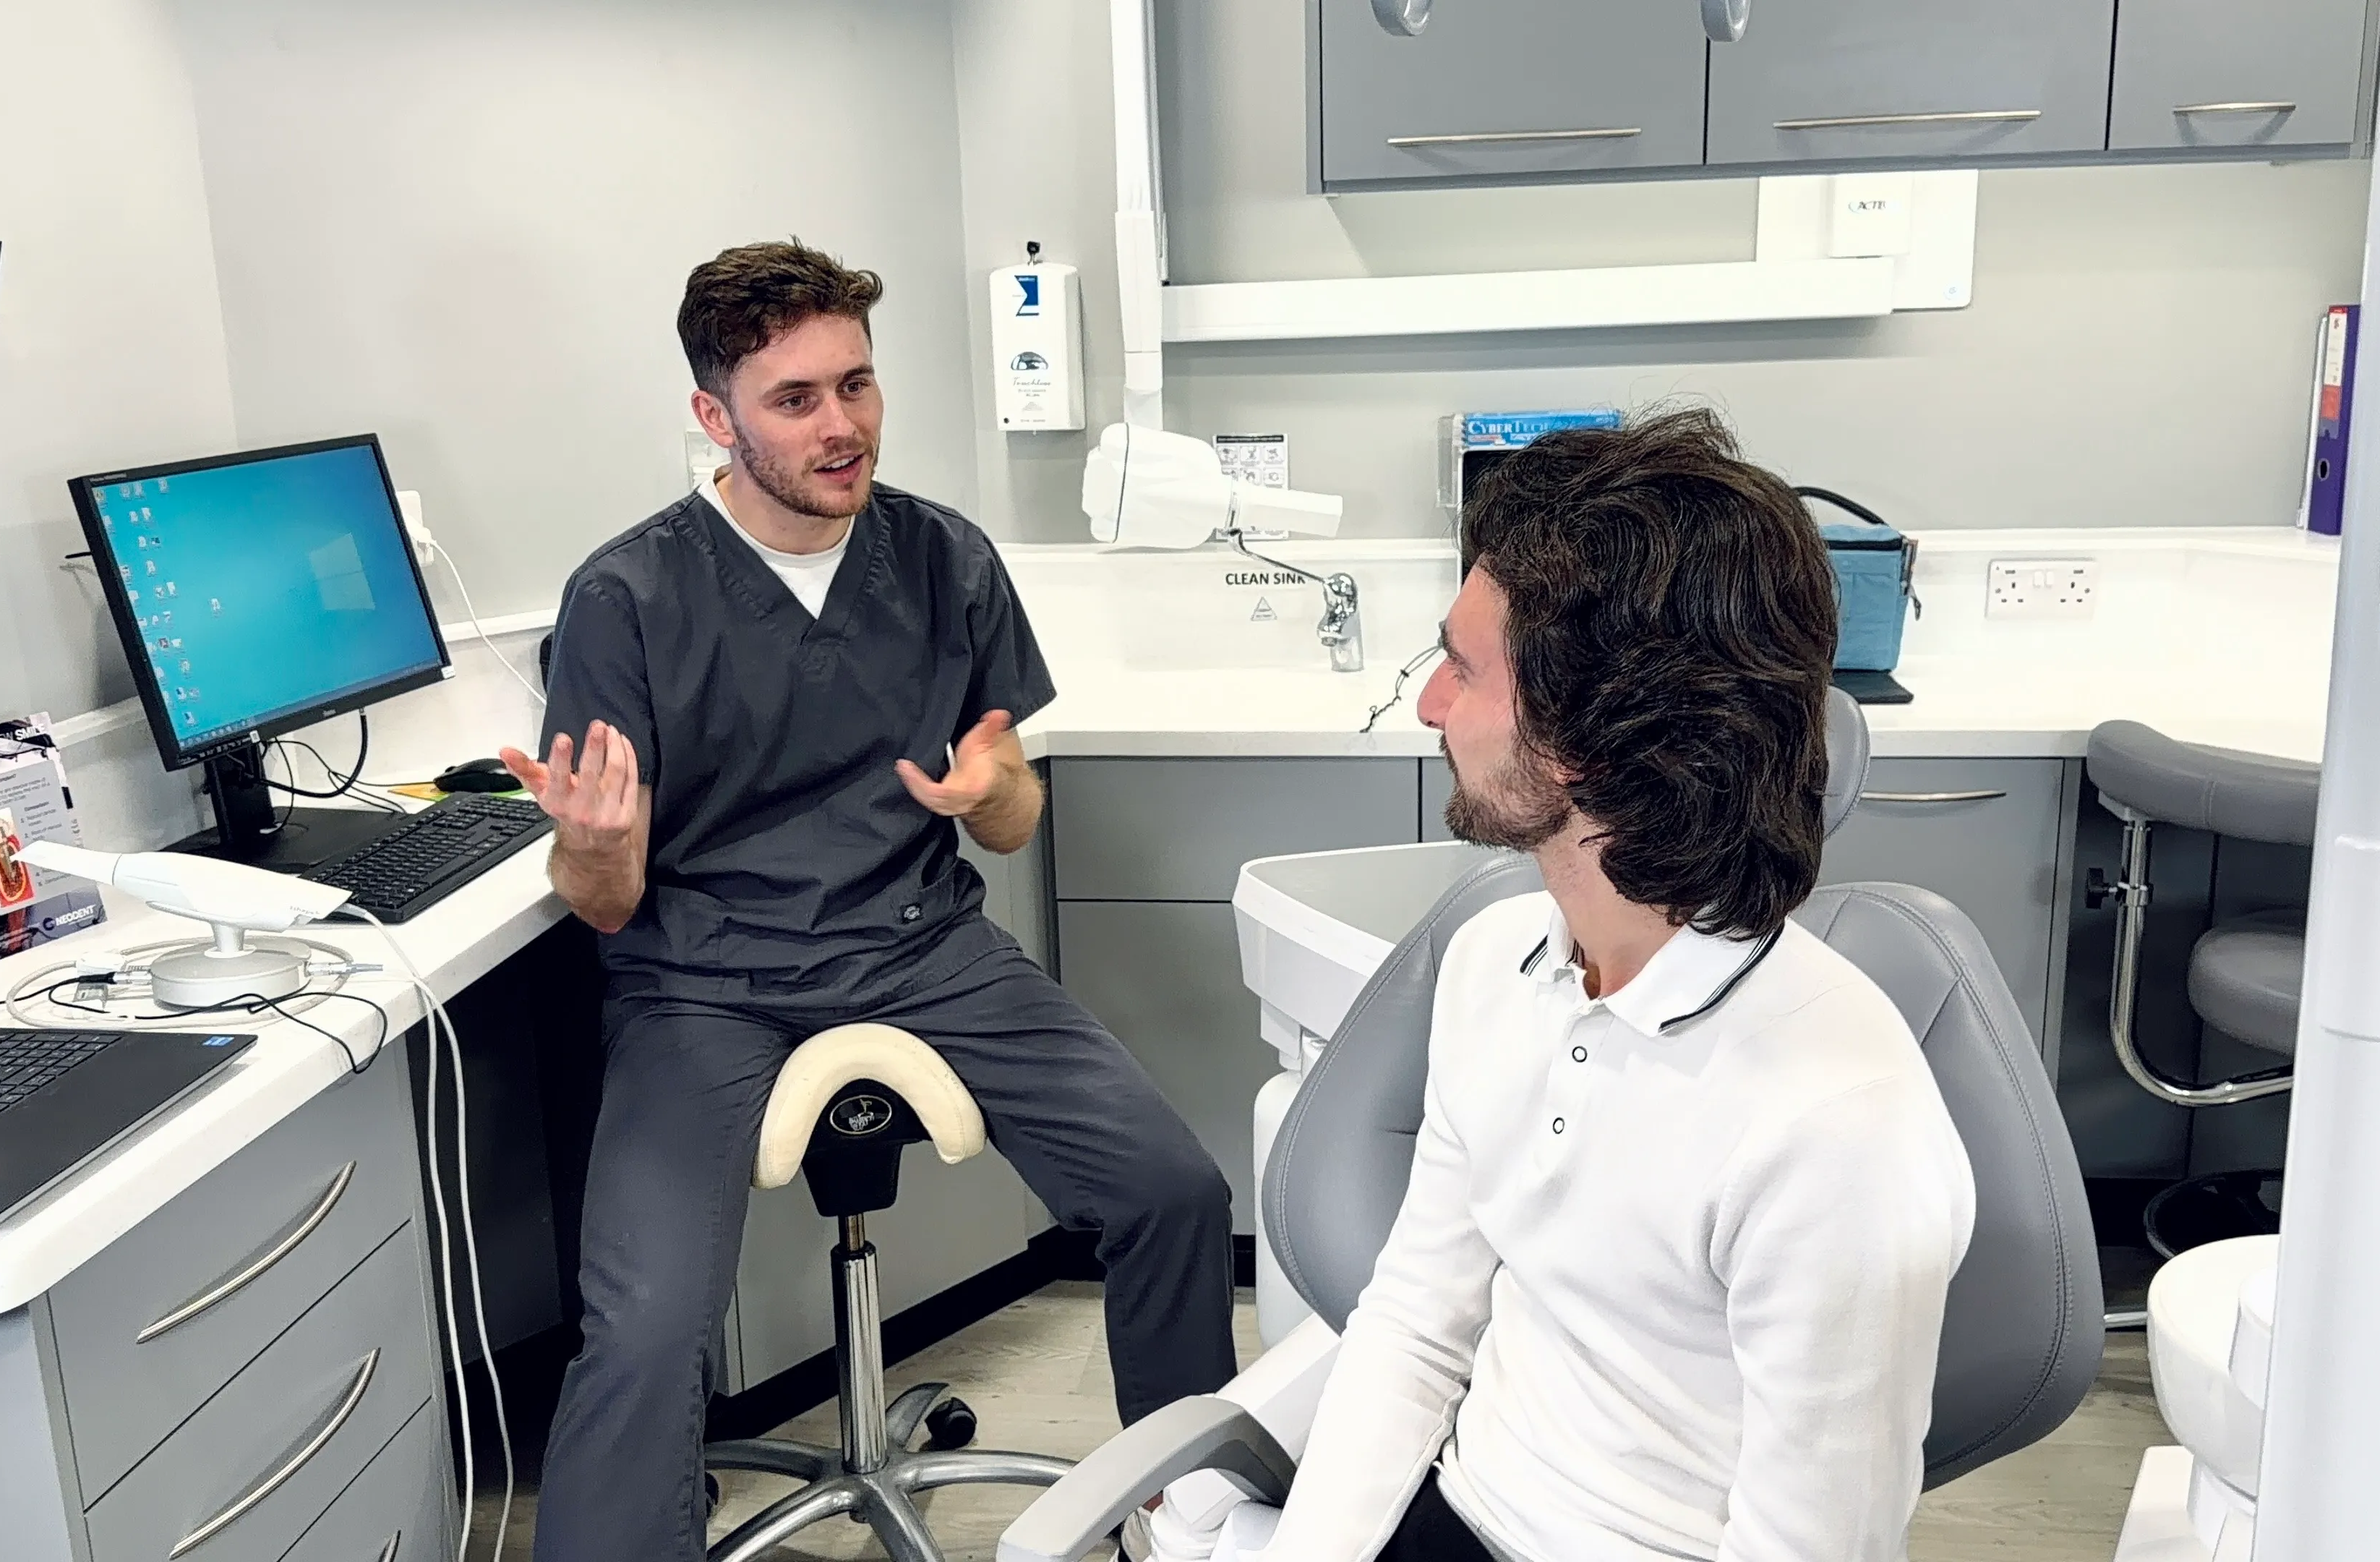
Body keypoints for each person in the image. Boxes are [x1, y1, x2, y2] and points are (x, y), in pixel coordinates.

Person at [501, 239, 1236, 1562]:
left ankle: (1187, 1520)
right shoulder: (627, 598)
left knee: (1172, 1190)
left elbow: (1013, 810)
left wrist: (989, 792)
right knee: (649, 1321)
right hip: (703, 980)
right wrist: (597, 846)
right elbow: (605, 906)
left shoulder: (945, 558)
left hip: (925, 947)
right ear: (714, 418)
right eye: (796, 399)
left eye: (859, 385)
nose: (842, 427)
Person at [1258, 409, 1976, 1561]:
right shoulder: (1496, 964)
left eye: (1463, 668)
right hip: (1456, 1509)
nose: (1431, 705)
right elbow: (1415, 1329)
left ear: (1590, 740)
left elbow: (1814, 1546)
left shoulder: (1836, 1122)